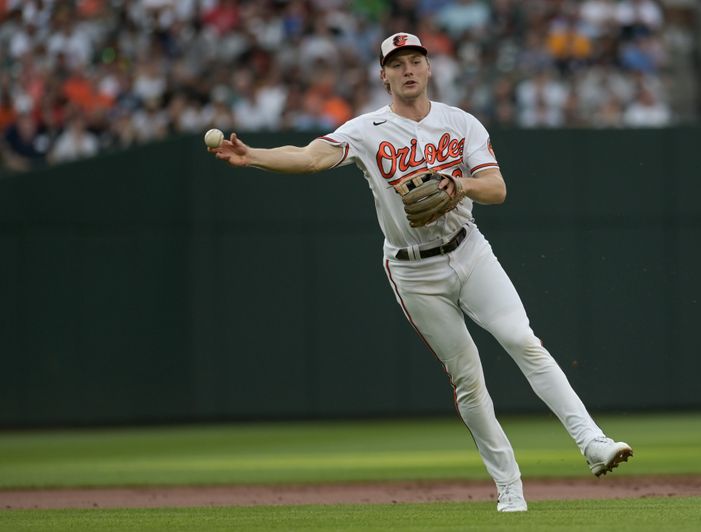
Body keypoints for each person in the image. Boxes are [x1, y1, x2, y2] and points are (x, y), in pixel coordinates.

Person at [208, 32, 633, 513]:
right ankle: (510, 487)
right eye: (397, 63)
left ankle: (593, 442)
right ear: (383, 75)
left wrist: (460, 185)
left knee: (523, 339)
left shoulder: (461, 123)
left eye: (415, 60)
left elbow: (496, 189)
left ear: (429, 69)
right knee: (468, 377)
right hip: (413, 272)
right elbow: (309, 158)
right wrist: (254, 157)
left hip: (470, 251)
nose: (408, 69)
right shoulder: (366, 129)